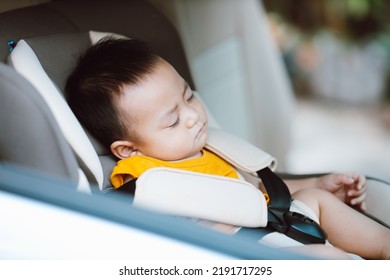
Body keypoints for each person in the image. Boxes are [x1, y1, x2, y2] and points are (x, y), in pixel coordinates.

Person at [65, 37, 390, 259]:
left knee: (316, 199)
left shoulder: (206, 150)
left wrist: (316, 185)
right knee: (327, 261)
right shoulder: (143, 177)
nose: (193, 116)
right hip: (240, 252)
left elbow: (255, 189)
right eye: (172, 121)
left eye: (188, 95)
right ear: (129, 149)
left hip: (272, 222)